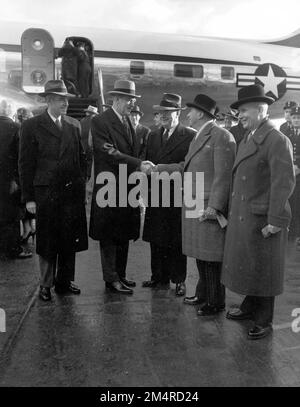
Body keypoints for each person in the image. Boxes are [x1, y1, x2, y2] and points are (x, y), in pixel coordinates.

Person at [149, 94, 236, 311]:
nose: (188, 114)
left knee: (211, 257)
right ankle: (202, 294)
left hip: (207, 205)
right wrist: (158, 168)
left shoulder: (221, 136)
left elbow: (223, 176)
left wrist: (215, 206)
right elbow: (183, 167)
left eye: (191, 111)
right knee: (201, 254)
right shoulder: (201, 137)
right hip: (195, 202)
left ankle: (215, 302)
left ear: (200, 113)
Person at [222, 84, 295, 340]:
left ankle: (264, 320)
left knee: (264, 269)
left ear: (261, 110)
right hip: (248, 215)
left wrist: (276, 220)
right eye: (238, 111)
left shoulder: (276, 140)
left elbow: (283, 183)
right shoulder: (249, 137)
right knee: (251, 264)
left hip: (263, 218)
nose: (239, 115)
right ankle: (250, 306)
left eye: (243, 110)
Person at [19, 80, 88, 301]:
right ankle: (46, 284)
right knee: (48, 241)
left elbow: (81, 158)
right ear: (49, 100)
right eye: (61, 99)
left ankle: (64, 282)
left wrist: (82, 184)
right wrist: (28, 198)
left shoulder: (73, 125)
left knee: (69, 239)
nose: (65, 103)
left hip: (70, 193)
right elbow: (25, 164)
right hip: (46, 194)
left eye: (67, 99)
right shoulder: (32, 126)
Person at [90, 79, 147, 294]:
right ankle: (111, 278)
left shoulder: (128, 122)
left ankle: (120, 275)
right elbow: (108, 152)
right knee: (109, 235)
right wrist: (139, 164)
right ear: (116, 99)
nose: (132, 103)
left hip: (126, 187)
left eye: (133, 99)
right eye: (128, 99)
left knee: (123, 232)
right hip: (109, 187)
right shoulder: (100, 121)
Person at [142, 93, 196, 296]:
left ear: (178, 114)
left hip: (176, 194)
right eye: (161, 112)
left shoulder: (190, 135)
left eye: (168, 112)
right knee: (156, 238)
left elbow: (187, 166)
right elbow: (147, 163)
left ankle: (179, 280)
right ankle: (158, 277)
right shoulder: (153, 135)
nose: (163, 115)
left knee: (176, 239)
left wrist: (159, 168)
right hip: (156, 194)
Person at [0, 100, 29, 259]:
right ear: (11, 112)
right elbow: (20, 157)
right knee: (11, 216)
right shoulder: (16, 128)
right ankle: (12, 249)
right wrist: (17, 180)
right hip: (9, 180)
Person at [288, 106, 300, 245]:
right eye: (295, 117)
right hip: (291, 173)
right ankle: (292, 233)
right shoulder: (288, 133)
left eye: (299, 118)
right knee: (292, 201)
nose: (296, 120)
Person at [80, 105, 98, 180]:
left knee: (85, 160)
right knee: (92, 161)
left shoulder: (82, 121)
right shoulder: (95, 121)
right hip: (92, 144)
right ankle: (90, 176)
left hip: (83, 144)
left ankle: (85, 176)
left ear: (87, 112)